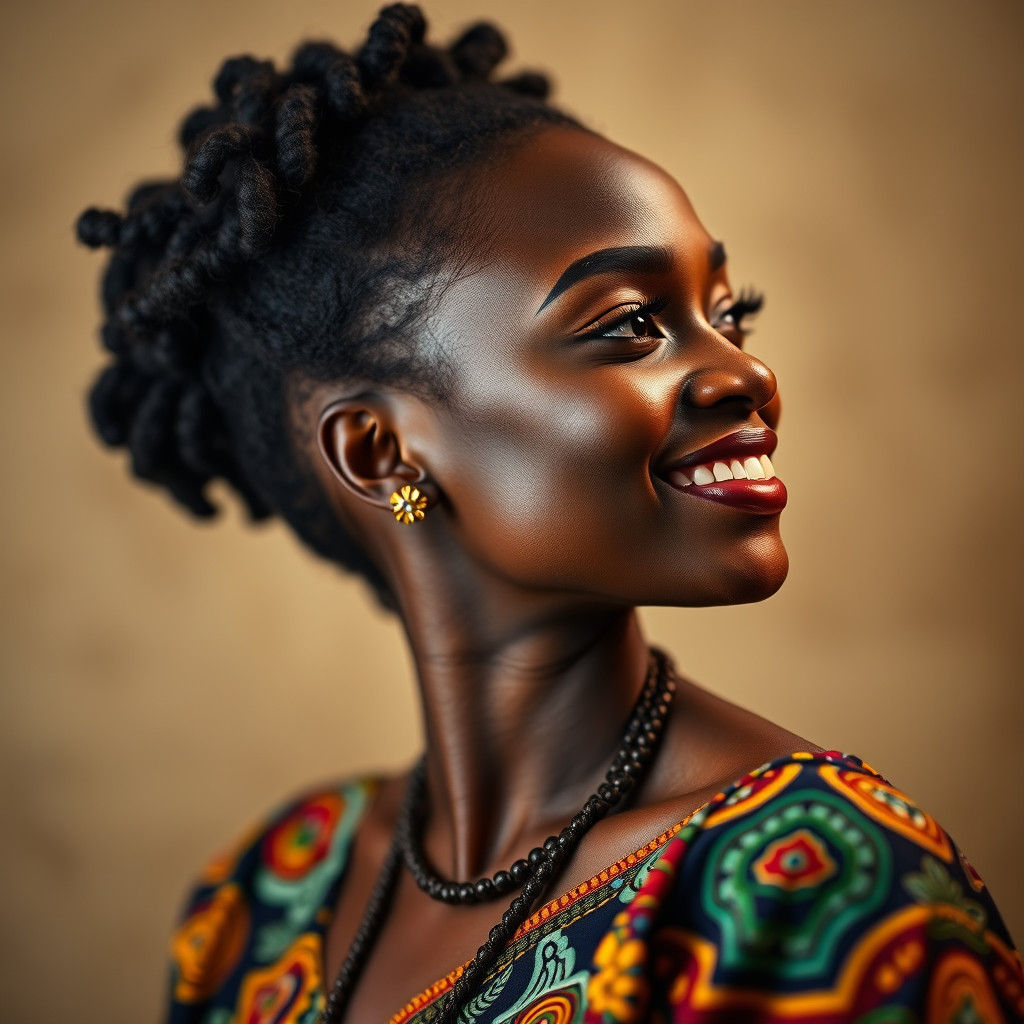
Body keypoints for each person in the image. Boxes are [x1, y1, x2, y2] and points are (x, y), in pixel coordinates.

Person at [74, 4, 1022, 1022]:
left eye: (728, 310)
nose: (745, 369)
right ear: (380, 451)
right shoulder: (256, 904)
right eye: (628, 325)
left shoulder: (820, 892)